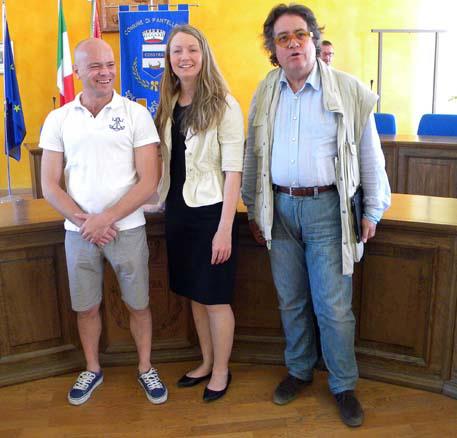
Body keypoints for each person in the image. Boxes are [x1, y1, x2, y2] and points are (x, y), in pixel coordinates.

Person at [241, 3, 390, 427]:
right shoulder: (266, 91)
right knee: (290, 300)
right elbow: (254, 154)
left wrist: (373, 209)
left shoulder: (348, 89)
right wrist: (253, 206)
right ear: (273, 49)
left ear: (313, 39)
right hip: (279, 210)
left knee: (333, 306)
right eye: (283, 38)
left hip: (329, 211)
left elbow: (369, 155)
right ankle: (299, 370)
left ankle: (343, 384)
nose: (293, 44)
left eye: (300, 35)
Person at [40, 38, 166, 406]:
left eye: (110, 64)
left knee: (138, 304)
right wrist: (86, 223)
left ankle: (145, 367)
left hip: (127, 229)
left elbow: (149, 181)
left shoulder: (136, 115)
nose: (105, 72)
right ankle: (92, 368)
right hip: (78, 233)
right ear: (77, 71)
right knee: (87, 307)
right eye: (95, 66)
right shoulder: (59, 119)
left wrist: (106, 219)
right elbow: (50, 185)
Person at [155, 25, 244, 402]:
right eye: (177, 51)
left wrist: (225, 228)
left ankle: (222, 369)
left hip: (211, 214)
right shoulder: (169, 102)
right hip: (178, 212)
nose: (184, 57)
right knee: (194, 293)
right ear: (169, 59)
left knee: (215, 297)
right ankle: (206, 361)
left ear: (204, 54)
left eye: (192, 49)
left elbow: (233, 171)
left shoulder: (224, 104)